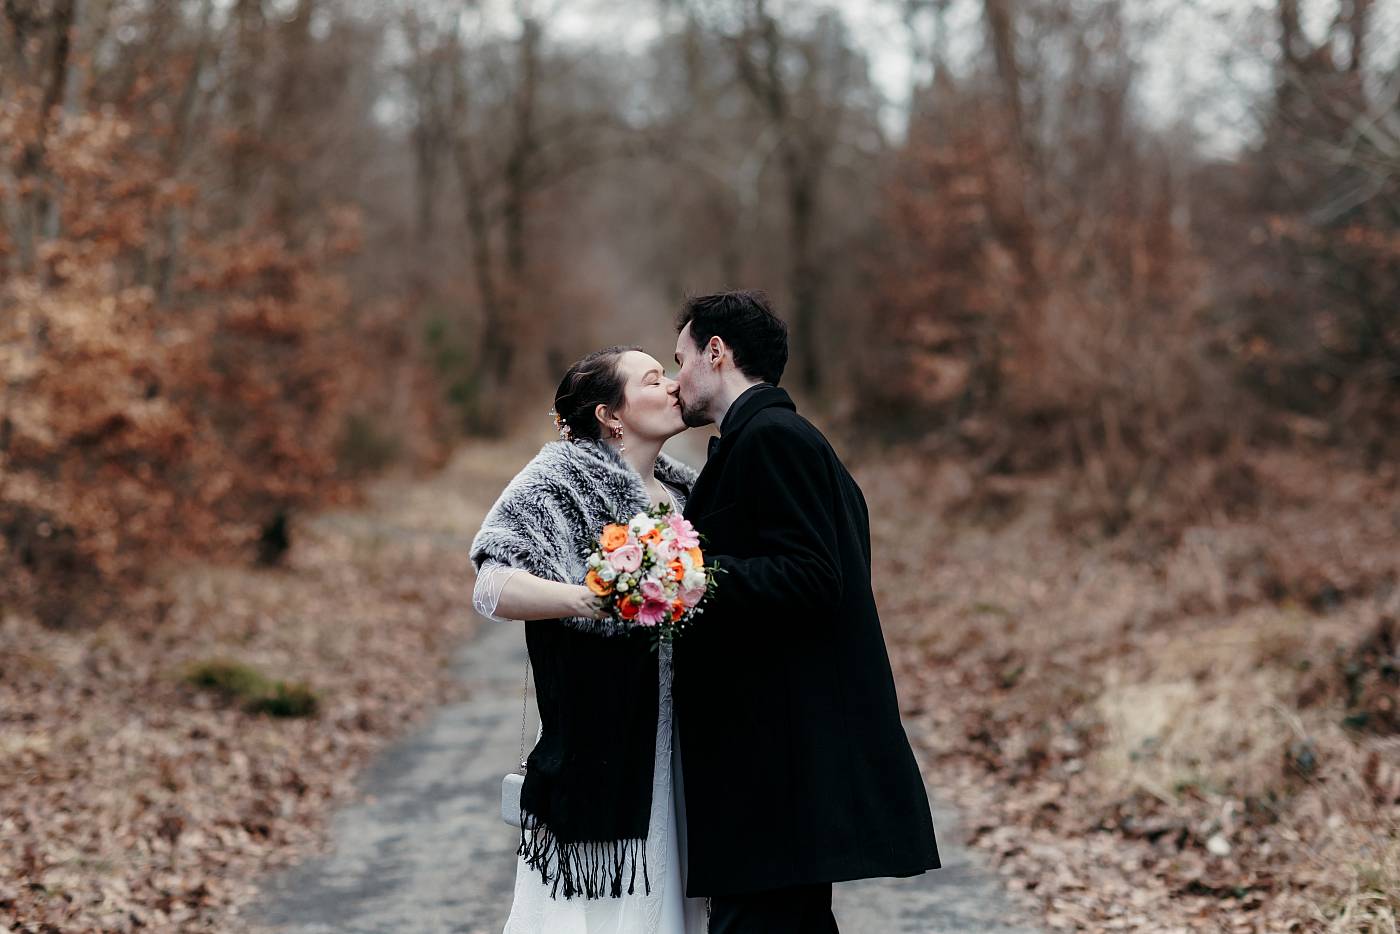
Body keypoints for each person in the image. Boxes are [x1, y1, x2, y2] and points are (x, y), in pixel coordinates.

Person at [670, 290, 942, 934]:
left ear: (716, 352)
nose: (675, 376)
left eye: (678, 358)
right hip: (774, 759)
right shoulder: (764, 439)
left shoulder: (774, 439)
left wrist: (693, 578)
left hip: (780, 761)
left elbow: (816, 576)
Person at [469, 345, 709, 934]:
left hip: (685, 748)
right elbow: (492, 585)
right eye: (655, 378)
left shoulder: (689, 494)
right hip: (600, 745)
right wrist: (591, 599)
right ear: (611, 414)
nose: (676, 385)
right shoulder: (559, 478)